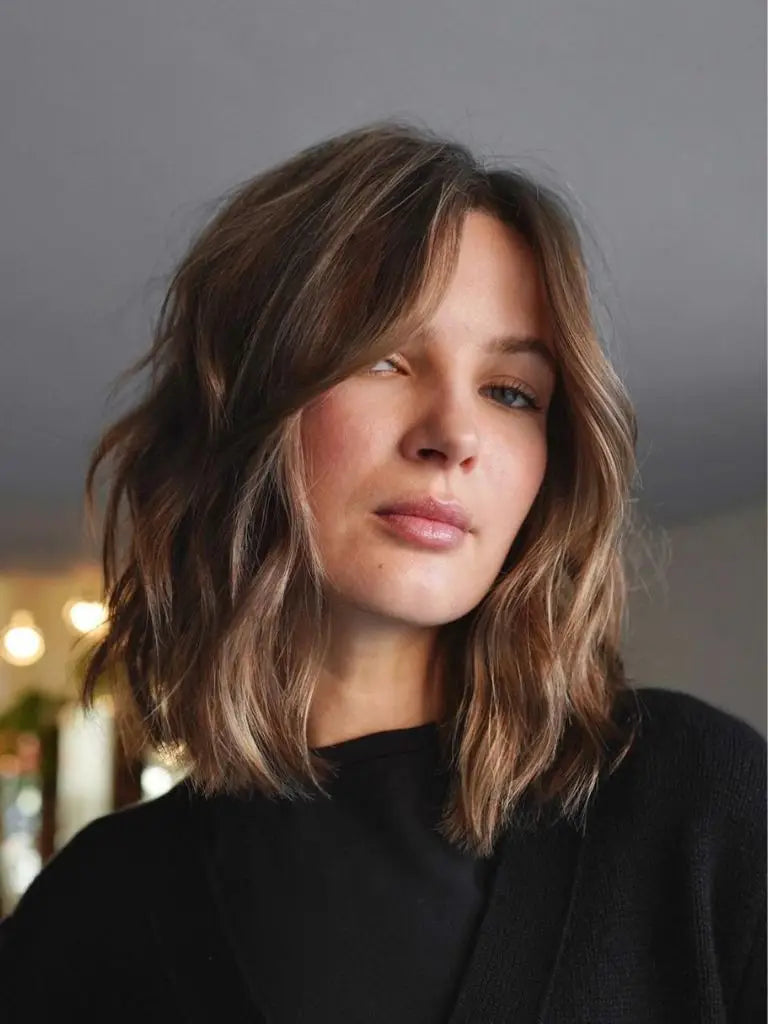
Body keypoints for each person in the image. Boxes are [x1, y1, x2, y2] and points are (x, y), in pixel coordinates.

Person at [0, 119, 764, 1023]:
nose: (453, 435)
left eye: (512, 391)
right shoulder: (91, 918)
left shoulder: (704, 811)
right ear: (246, 403)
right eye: (384, 358)